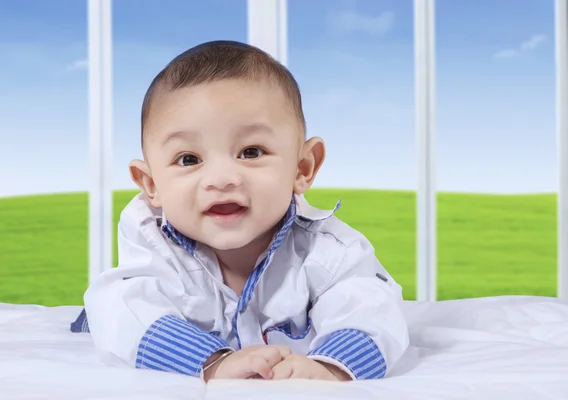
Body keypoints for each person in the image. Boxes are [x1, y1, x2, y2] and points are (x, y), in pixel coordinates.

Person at [83, 40, 409, 382]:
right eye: (189, 159)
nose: (220, 179)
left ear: (302, 167)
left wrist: (330, 368)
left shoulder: (328, 250)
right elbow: (122, 308)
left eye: (251, 152)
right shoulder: (151, 237)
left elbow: (373, 307)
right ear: (151, 185)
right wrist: (213, 362)